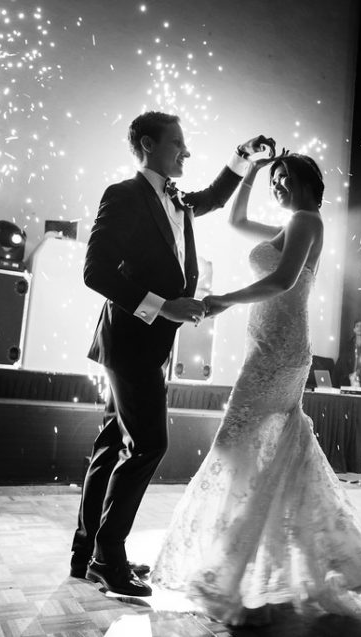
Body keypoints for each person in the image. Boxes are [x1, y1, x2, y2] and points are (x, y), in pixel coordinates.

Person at [150, 152, 361, 626]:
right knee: (264, 456)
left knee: (237, 448)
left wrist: (222, 301)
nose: (277, 183)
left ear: (303, 182)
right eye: (273, 177)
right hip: (269, 346)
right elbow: (235, 219)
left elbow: (280, 280)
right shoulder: (290, 222)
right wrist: (252, 170)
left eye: (282, 177)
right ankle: (258, 572)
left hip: (280, 350)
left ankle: (238, 570)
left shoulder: (306, 221)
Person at [71, 109, 275, 596]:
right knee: (147, 445)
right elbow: (95, 271)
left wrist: (243, 158)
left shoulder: (177, 198)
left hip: (148, 345)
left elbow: (211, 197)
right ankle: (108, 558)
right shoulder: (122, 196)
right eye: (176, 144)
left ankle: (86, 556)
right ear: (146, 144)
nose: (186, 152)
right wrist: (165, 308)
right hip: (129, 341)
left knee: (110, 446)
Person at [332, 319, 361, 392]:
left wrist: (358, 373)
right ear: (354, 329)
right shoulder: (348, 344)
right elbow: (343, 361)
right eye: (357, 326)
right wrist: (349, 375)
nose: (359, 328)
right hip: (348, 376)